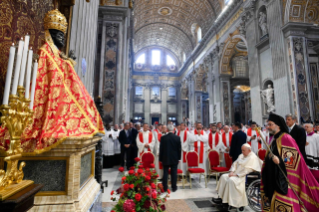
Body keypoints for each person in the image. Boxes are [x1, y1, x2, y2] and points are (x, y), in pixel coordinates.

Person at [261, 113, 319, 212]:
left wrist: (279, 162)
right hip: (272, 181)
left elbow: (293, 163)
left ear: (278, 125)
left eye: (270, 124)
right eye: (268, 125)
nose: (268, 127)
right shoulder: (275, 140)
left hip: (283, 184)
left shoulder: (286, 138)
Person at [213, 144, 262, 210]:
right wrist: (232, 171)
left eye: (244, 150)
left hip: (243, 176)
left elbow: (248, 170)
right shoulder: (241, 155)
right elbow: (235, 164)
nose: (242, 152)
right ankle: (221, 198)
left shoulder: (253, 158)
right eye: (242, 150)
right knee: (223, 177)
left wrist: (236, 175)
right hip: (236, 173)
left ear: (249, 150)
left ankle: (227, 203)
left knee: (231, 180)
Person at [159, 124, 182, 192]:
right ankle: (174, 187)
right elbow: (179, 149)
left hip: (165, 157)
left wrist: (160, 159)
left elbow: (161, 149)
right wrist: (179, 158)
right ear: (173, 129)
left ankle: (165, 187)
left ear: (167, 130)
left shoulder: (163, 138)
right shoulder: (177, 138)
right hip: (174, 158)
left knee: (165, 172)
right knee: (174, 173)